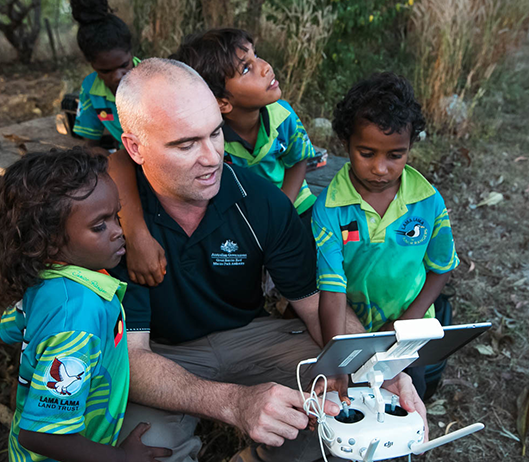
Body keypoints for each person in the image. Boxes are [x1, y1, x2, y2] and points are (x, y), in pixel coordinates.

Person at [106, 58, 427, 462]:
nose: (211, 158)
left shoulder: (260, 202)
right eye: (186, 144)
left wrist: (376, 369)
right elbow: (132, 358)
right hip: (158, 351)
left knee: (353, 398)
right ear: (135, 147)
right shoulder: (110, 220)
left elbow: (315, 306)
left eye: (215, 134)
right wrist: (233, 402)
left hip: (249, 335)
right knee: (143, 449)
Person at [0, 149, 171, 462]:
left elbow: (11, 329)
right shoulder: (78, 317)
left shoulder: (49, 280)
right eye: (99, 225)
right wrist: (122, 458)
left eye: (116, 216)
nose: (118, 231)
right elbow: (41, 435)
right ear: (48, 240)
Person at [119, 28, 321, 287]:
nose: (265, 67)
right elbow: (122, 160)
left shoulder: (283, 116)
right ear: (222, 103)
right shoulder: (207, 133)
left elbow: (298, 160)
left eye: (256, 56)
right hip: (241, 212)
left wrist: (282, 204)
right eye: (247, 68)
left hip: (294, 203)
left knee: (305, 265)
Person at [313, 72, 460, 398]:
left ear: (409, 147)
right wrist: (336, 360)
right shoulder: (330, 209)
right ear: (345, 143)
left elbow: (441, 268)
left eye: (395, 155)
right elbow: (332, 292)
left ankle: (408, 448)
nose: (381, 168)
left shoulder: (427, 200)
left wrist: (404, 324)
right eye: (367, 153)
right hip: (353, 329)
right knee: (356, 400)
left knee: (407, 396)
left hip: (412, 326)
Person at [70, 0, 141, 152]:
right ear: (92, 65)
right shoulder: (90, 89)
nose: (117, 76)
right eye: (105, 71)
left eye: (124, 65)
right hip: (128, 155)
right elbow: (91, 145)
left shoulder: (155, 79)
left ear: (131, 52)